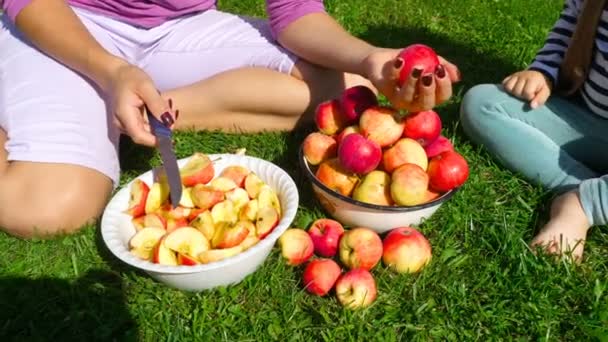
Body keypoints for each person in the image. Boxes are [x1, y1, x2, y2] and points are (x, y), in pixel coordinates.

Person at [0, 0, 460, 238]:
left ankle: (151, 109)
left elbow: (295, 13)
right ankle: (90, 94)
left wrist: (370, 59)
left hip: (179, 30)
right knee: (48, 210)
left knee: (347, 90)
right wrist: (113, 71)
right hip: (68, 21)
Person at [460, 0, 606, 262]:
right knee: (483, 104)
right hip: (587, 121)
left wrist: (587, 204)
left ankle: (584, 202)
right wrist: (543, 72)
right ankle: (580, 182)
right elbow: (572, 25)